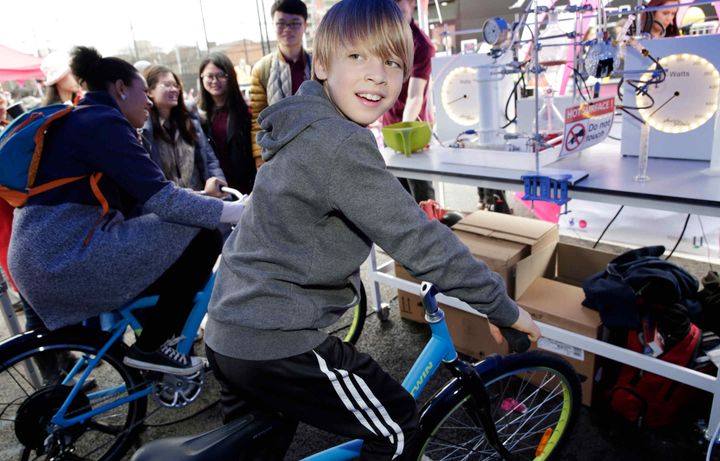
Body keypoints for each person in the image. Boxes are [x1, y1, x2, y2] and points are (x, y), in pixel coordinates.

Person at [204, 1, 541, 459]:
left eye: (392, 62)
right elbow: (419, 242)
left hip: (229, 331)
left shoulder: (302, 125)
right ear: (321, 63)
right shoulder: (338, 141)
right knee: (398, 426)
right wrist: (504, 309)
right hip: (276, 337)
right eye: (357, 56)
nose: (378, 75)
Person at [7, 46, 246, 376]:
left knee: (181, 241)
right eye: (143, 92)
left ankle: (156, 349)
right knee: (203, 236)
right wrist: (239, 211)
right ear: (120, 88)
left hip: (49, 255)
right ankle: (151, 348)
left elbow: (149, 200)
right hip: (64, 255)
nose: (148, 101)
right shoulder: (102, 121)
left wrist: (207, 202)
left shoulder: (85, 119)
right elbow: (162, 200)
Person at [142, 65, 226, 196]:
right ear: (149, 91)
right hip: (168, 207)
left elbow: (210, 161)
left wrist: (222, 192)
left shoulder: (189, 120)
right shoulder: (143, 131)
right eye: (167, 85)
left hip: (203, 200)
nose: (174, 89)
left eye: (176, 85)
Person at [381, 0, 436, 203]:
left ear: (412, 3)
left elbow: (415, 95)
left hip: (413, 132)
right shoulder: (383, 39)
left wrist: (404, 132)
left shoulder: (421, 45)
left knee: (422, 197)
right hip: (388, 129)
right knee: (397, 195)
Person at [249, 0, 312, 168]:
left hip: (317, 149)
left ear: (305, 25)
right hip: (279, 155)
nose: (287, 29)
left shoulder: (318, 64)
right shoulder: (262, 69)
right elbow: (258, 120)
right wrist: (260, 161)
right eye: (281, 23)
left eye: (295, 24)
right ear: (273, 25)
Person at [198, 53, 256, 194]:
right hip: (215, 187)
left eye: (221, 75)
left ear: (230, 77)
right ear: (201, 78)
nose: (215, 81)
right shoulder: (196, 115)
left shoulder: (247, 112)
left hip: (246, 185)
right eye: (209, 76)